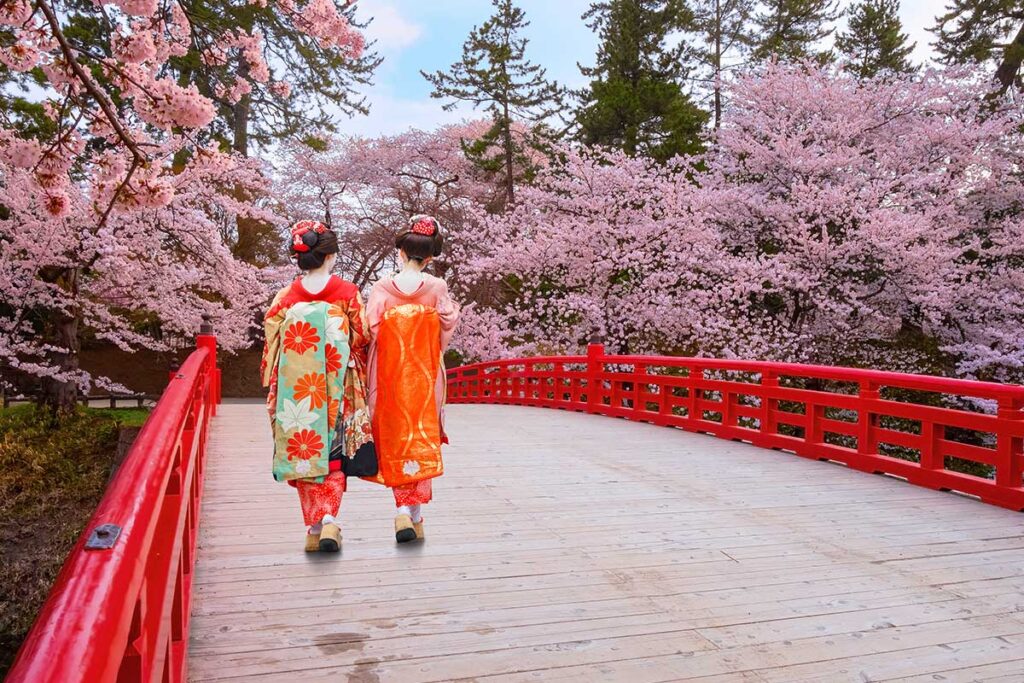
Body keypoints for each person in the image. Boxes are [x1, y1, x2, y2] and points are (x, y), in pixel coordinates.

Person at [261, 220, 372, 552]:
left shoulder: (285, 297)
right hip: (337, 385)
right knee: (333, 453)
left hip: (297, 388)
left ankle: (314, 525)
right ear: (330, 256)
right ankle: (329, 521)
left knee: (304, 449)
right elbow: (363, 336)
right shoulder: (347, 293)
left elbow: (272, 341)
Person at [366, 215, 460, 543]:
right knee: (422, 435)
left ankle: (408, 512)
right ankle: (411, 512)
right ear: (430, 256)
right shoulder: (437, 287)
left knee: (396, 435)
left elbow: (372, 329)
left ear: (401, 252)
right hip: (424, 373)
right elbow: (446, 325)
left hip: (389, 375)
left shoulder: (381, 287)